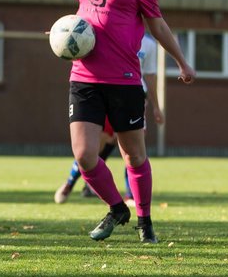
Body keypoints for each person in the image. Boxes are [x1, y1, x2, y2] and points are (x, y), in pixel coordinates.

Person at [67, 0, 195, 243]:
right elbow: (84, 20)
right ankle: (116, 207)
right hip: (84, 77)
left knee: (134, 156)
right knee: (84, 156)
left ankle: (144, 219)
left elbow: (158, 26)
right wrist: (64, 35)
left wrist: (181, 62)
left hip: (124, 80)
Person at [54, 33, 163, 206]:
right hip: (108, 92)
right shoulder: (107, 31)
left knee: (134, 148)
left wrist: (156, 106)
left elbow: (149, 76)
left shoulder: (149, 43)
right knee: (98, 145)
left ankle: (130, 195)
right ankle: (70, 183)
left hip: (135, 97)